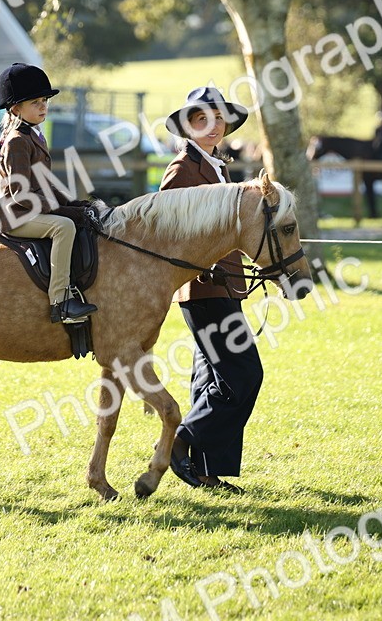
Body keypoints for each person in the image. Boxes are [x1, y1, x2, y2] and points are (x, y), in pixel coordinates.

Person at [159, 86, 257, 495]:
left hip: (226, 286)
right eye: (203, 119)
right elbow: (163, 226)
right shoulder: (183, 169)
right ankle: (180, 441)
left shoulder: (218, 166)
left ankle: (205, 472)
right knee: (244, 374)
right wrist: (205, 264)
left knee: (212, 379)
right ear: (187, 125)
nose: (214, 126)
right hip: (202, 289)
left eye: (218, 118)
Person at [0, 63, 97, 324]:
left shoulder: (35, 136)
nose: (43, 106)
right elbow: (19, 193)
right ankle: (60, 302)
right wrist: (62, 211)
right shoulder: (17, 140)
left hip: (29, 209)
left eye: (44, 100)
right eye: (35, 102)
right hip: (15, 215)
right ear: (16, 108)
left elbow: (44, 184)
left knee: (77, 219)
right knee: (63, 228)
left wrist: (74, 203)